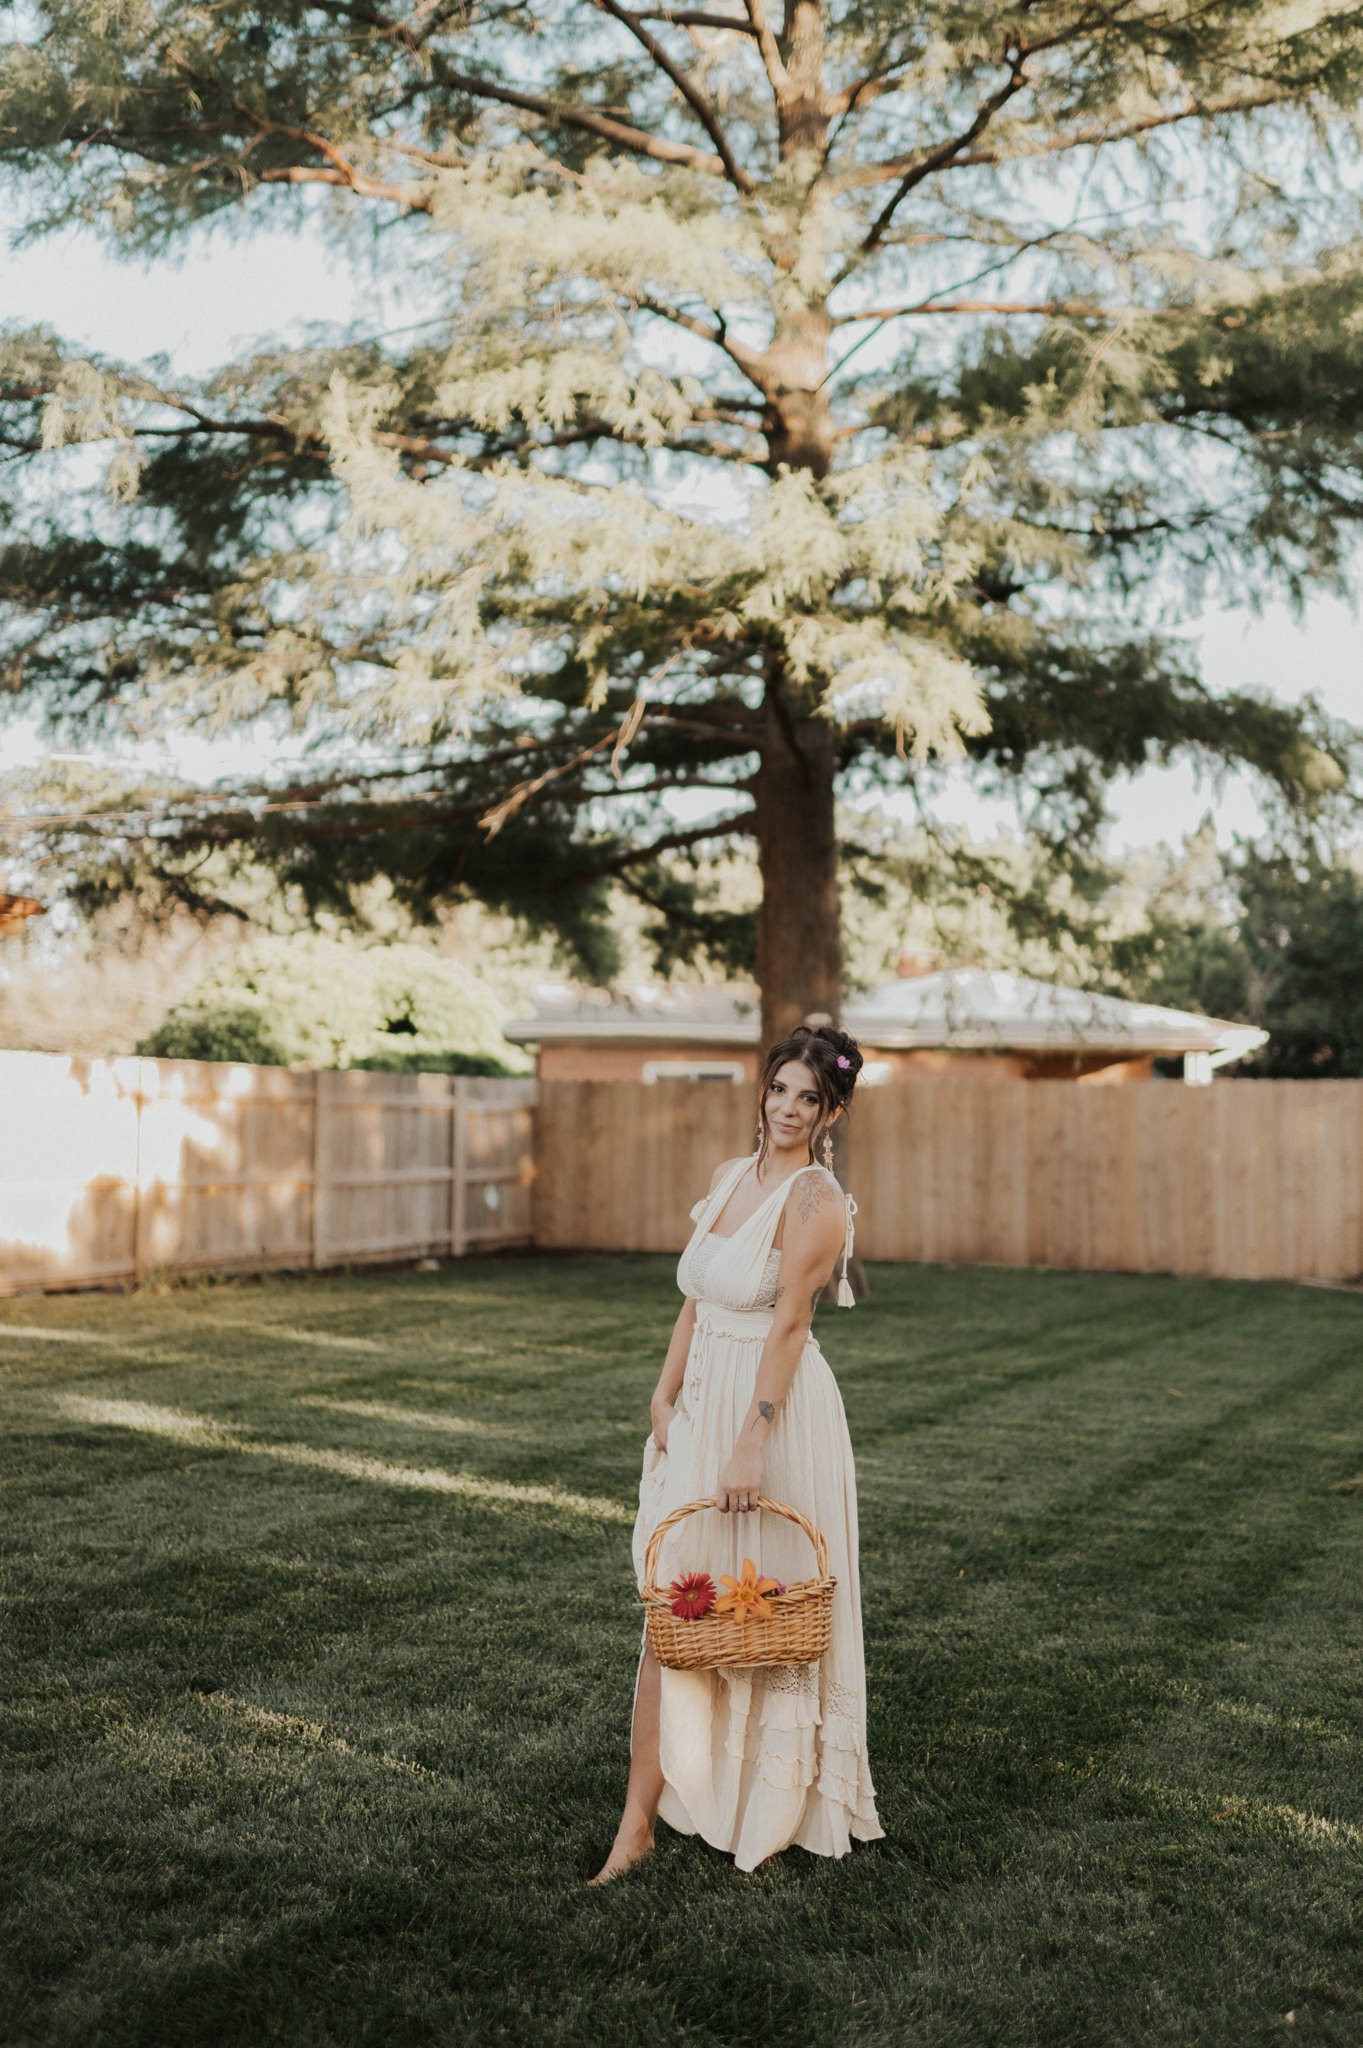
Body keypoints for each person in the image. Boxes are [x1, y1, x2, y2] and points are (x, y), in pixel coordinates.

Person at [591, 1024, 884, 1881]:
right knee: (673, 1612)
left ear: (829, 1114)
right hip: (700, 1401)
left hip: (771, 1413)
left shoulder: (815, 1199)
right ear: (763, 1089)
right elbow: (695, 1299)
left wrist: (749, 1444)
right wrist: (663, 1395)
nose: (788, 1109)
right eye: (779, 1089)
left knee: (757, 1616)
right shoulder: (729, 1177)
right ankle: (639, 1823)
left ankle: (760, 1802)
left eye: (809, 1098)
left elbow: (788, 1326)